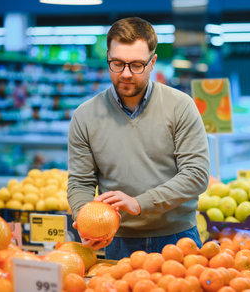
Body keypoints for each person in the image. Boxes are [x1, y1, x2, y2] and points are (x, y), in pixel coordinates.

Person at [67, 17, 210, 260]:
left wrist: (140, 203)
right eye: (117, 63)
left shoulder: (180, 106)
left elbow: (196, 175)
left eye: (136, 65)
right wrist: (85, 217)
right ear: (108, 59)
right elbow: (80, 182)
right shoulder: (85, 115)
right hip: (117, 242)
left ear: (152, 62)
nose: (125, 74)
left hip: (177, 238)